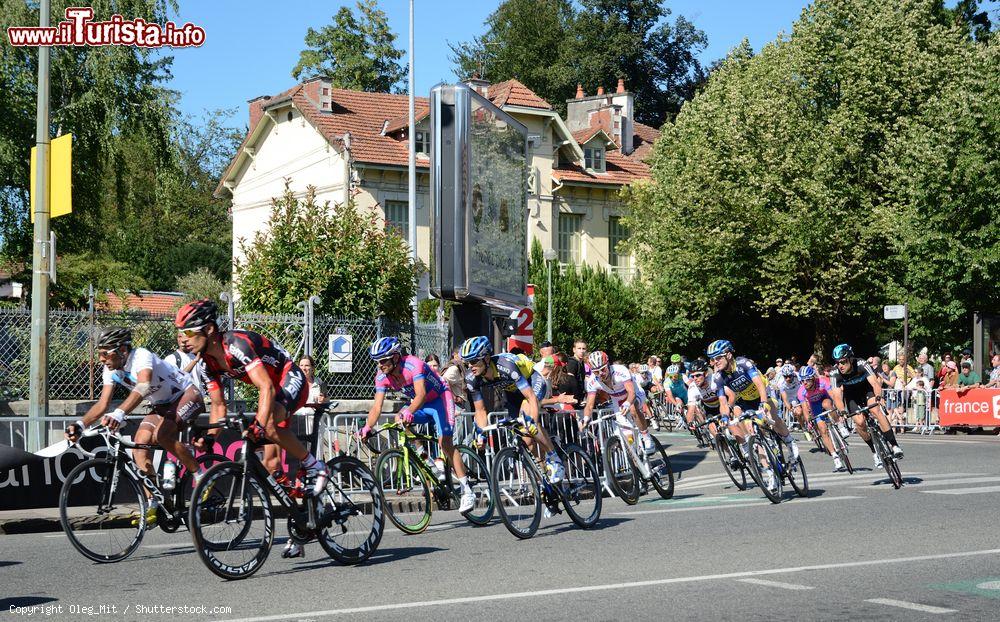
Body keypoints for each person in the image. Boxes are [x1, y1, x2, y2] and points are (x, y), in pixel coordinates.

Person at [175, 299, 327, 560]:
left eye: (188, 332)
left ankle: (314, 465)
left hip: (288, 378)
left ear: (209, 329)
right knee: (270, 466)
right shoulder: (206, 364)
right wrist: (211, 438)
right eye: (179, 333)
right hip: (270, 388)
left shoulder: (236, 345)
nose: (183, 339)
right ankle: (302, 522)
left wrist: (258, 424)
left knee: (266, 425)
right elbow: (219, 406)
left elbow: (266, 386)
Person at [65, 327, 205, 527]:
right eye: (99, 354)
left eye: (105, 353)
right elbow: (103, 404)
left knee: (163, 435)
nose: (101, 359)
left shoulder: (141, 356)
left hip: (186, 395)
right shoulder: (111, 370)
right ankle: (154, 502)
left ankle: (200, 476)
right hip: (162, 405)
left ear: (122, 350)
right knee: (140, 444)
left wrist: (120, 412)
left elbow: (143, 385)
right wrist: (80, 425)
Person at [358, 337, 475, 513]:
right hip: (422, 405)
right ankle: (425, 458)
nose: (380, 365)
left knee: (445, 443)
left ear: (395, 357)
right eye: (377, 362)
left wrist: (409, 411)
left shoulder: (413, 365)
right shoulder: (382, 377)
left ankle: (467, 491)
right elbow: (377, 406)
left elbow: (420, 394)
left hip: (440, 399)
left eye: (383, 361)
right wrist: (368, 427)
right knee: (399, 418)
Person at [459, 336, 565, 482]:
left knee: (528, 421)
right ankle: (543, 477)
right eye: (468, 362)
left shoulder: (506, 367)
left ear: (487, 358)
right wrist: (481, 434)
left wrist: (533, 422)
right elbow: (480, 411)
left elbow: (531, 398)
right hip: (511, 391)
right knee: (526, 441)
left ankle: (554, 458)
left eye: (474, 361)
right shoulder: (472, 379)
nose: (471, 366)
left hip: (531, 381)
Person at [708, 340, 799, 477]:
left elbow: (759, 384)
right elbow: (723, 403)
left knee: (770, 415)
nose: (715, 362)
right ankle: (768, 470)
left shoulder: (743, 363)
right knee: (753, 431)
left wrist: (763, 403)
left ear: (728, 355)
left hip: (764, 393)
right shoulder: (719, 377)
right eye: (712, 359)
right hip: (747, 400)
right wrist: (725, 417)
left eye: (718, 357)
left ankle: (789, 441)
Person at [828, 343, 904, 468]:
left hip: (866, 390)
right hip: (851, 396)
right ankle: (874, 450)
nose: (840, 365)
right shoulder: (834, 373)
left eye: (842, 362)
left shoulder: (861, 364)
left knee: (876, 411)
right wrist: (842, 411)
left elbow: (875, 383)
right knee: (859, 422)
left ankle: (894, 445)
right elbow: (836, 396)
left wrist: (878, 397)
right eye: (837, 362)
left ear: (850, 359)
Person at [579, 350, 656, 454]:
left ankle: (646, 436)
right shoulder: (593, 381)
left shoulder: (620, 370)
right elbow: (589, 405)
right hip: (618, 401)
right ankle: (637, 462)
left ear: (608, 364)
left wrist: (628, 403)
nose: (601, 374)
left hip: (634, 394)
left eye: (603, 369)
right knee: (628, 441)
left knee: (633, 408)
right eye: (596, 371)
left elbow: (631, 392)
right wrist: (586, 418)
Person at [796, 366, 843, 472]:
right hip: (815, 406)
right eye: (802, 380)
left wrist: (838, 408)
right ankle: (835, 456)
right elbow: (804, 408)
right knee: (822, 429)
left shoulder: (822, 382)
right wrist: (808, 420)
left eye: (807, 379)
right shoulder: (801, 391)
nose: (804, 382)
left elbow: (833, 396)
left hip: (825, 399)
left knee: (827, 404)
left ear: (812, 378)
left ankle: (839, 423)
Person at [685, 359, 719, 447]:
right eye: (693, 376)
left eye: (698, 375)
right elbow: (691, 409)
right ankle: (731, 455)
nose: (695, 379)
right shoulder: (692, 388)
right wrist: (690, 422)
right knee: (716, 434)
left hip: (723, 404)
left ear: (706, 374)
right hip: (710, 409)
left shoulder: (715, 379)